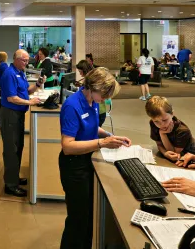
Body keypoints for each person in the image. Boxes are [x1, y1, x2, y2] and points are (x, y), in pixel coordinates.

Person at [59, 67, 131, 249]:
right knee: (78, 219)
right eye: (104, 95)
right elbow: (67, 146)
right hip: (74, 165)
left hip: (87, 160)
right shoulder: (72, 106)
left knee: (89, 215)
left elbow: (91, 127)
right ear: (92, 87)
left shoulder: (93, 100)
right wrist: (101, 143)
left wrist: (109, 136)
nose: (106, 99)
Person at [0, 49, 44, 197]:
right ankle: (10, 185)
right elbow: (11, 98)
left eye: (27, 60)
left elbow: (25, 91)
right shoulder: (9, 74)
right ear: (16, 59)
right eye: (24, 60)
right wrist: (29, 102)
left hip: (18, 114)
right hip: (10, 114)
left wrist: (37, 84)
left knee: (18, 146)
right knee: (11, 149)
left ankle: (14, 177)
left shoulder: (20, 72)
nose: (26, 63)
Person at [146, 96, 195, 162]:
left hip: (191, 152)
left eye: (165, 120)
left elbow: (173, 153)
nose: (161, 125)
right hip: (180, 156)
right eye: (156, 121)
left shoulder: (182, 130)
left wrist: (163, 134)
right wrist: (164, 153)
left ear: (172, 114)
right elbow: (159, 144)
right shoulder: (153, 124)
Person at [75, 60, 107, 129]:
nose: (80, 74)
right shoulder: (90, 78)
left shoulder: (91, 80)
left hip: (99, 112)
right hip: (99, 111)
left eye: (80, 72)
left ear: (84, 70)